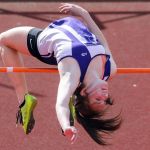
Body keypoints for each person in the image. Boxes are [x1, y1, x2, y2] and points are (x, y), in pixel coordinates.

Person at [0, 3, 122, 145]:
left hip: (45, 43)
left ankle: (24, 101)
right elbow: (101, 39)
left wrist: (66, 126)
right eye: (105, 100)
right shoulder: (109, 68)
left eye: (98, 100)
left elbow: (60, 104)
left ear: (84, 92)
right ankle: (69, 95)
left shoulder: (72, 74)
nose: (105, 96)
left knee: (2, 41)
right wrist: (84, 13)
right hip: (65, 29)